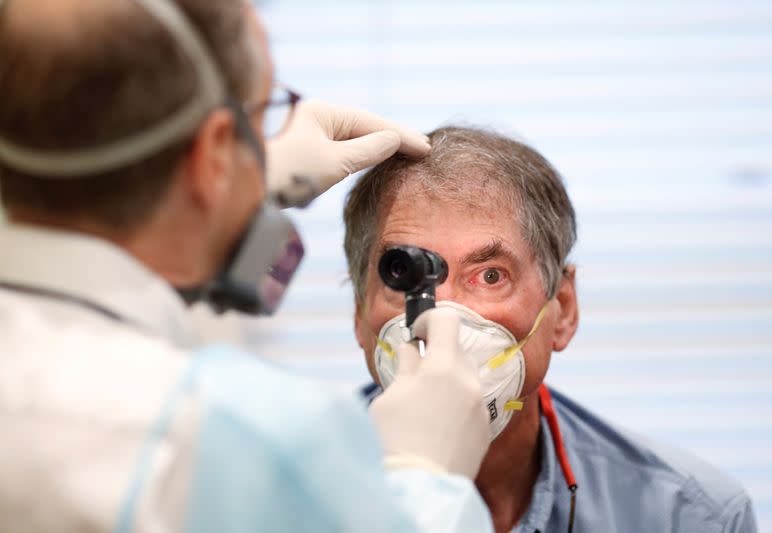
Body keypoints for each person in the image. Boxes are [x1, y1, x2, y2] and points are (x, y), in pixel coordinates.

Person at [0, 1, 495, 532]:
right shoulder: (250, 438)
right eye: (262, 120)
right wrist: (425, 478)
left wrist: (233, 186)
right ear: (213, 149)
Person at [344, 126, 759, 533]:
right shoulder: (285, 493)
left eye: (491, 276)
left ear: (562, 309)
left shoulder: (689, 517)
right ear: (360, 313)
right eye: (406, 276)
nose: (446, 318)